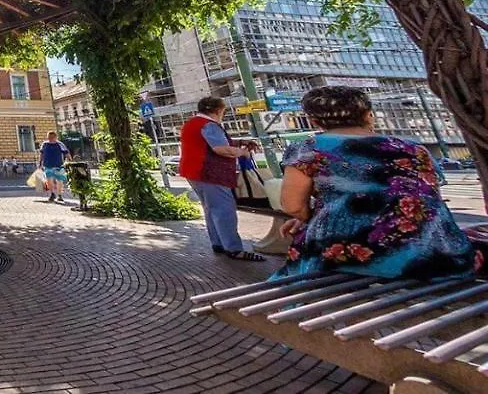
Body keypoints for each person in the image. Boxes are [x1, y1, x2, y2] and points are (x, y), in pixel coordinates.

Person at [274, 86, 479, 280]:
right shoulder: (415, 149)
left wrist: (311, 218)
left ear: (313, 121)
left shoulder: (308, 149)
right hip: (437, 253)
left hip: (352, 255)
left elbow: (293, 206)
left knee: (303, 253)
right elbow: (428, 200)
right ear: (368, 115)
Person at [179, 96, 265, 261]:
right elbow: (222, 149)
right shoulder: (209, 125)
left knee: (211, 208)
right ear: (218, 110)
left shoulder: (192, 123)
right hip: (210, 173)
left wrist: (239, 142)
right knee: (223, 209)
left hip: (194, 172)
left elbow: (210, 142)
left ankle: (218, 243)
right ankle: (234, 249)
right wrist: (243, 151)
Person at [38, 131, 70, 202]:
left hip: (59, 165)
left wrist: (70, 161)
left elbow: (66, 153)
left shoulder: (60, 144)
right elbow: (41, 154)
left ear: (56, 137)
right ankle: (52, 194)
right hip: (47, 165)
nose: (50, 139)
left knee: (59, 181)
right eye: (49, 137)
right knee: (49, 181)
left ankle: (59, 195)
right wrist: (40, 163)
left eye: (52, 137)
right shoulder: (44, 144)